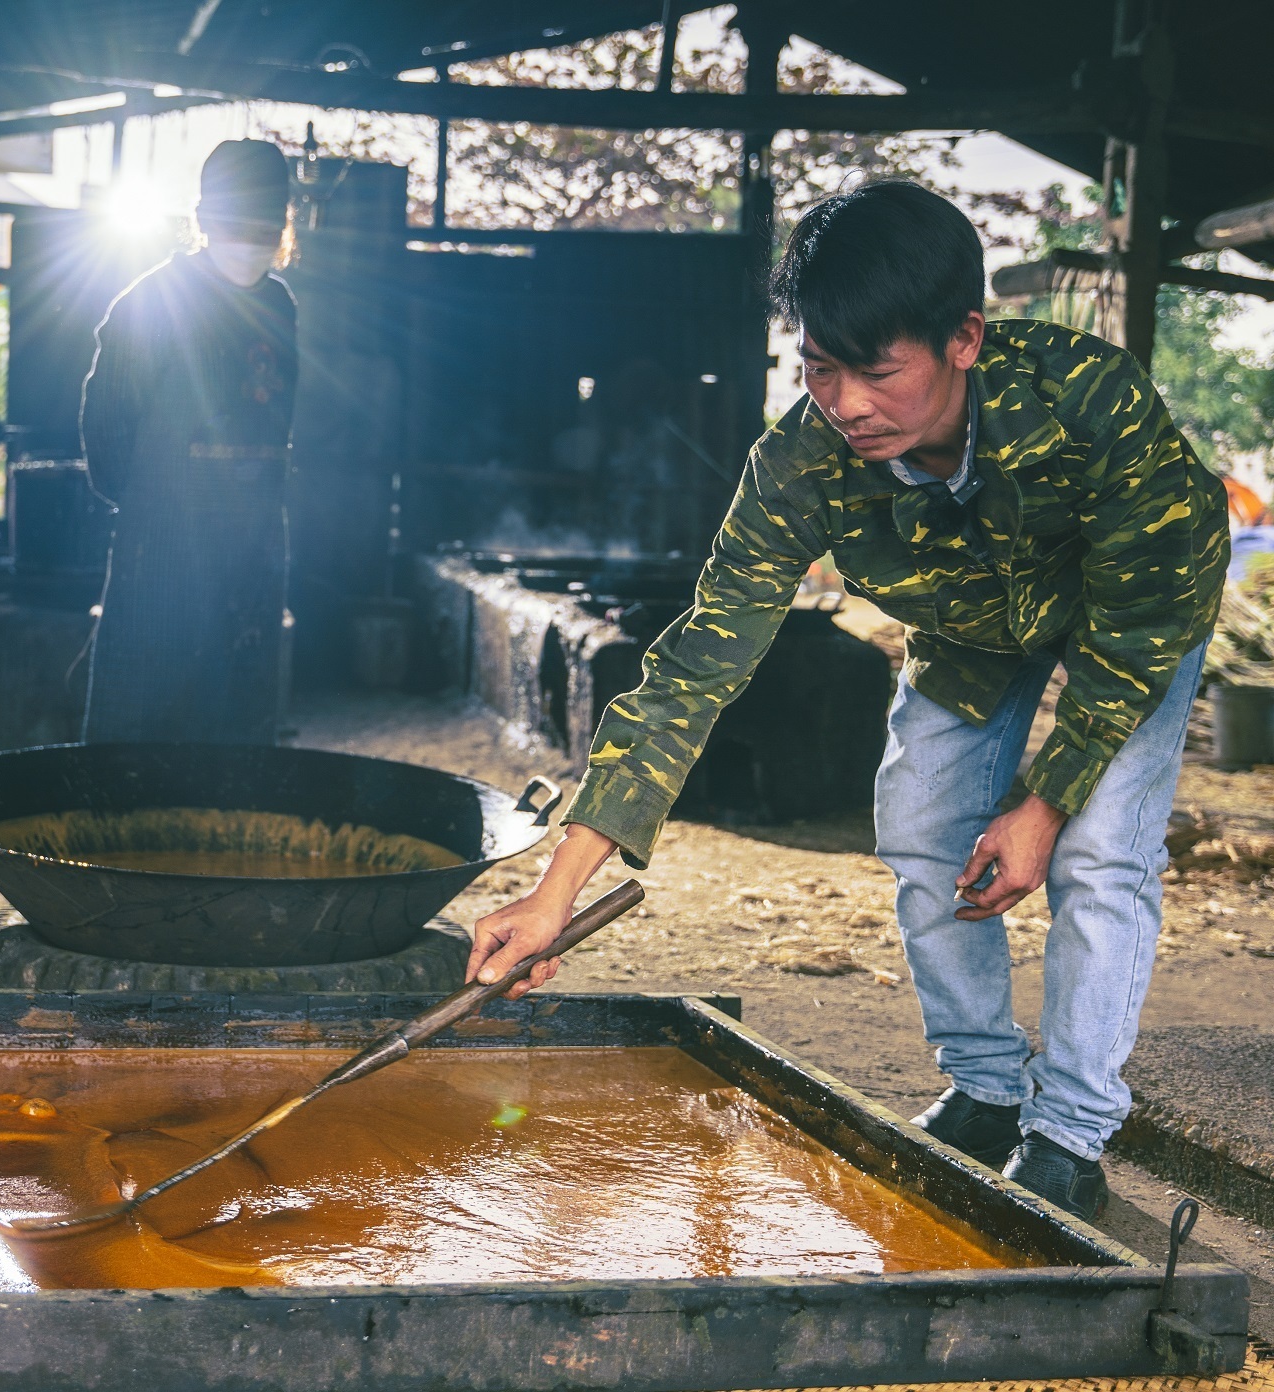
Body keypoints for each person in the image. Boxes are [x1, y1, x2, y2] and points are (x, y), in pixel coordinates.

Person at [466, 181, 1227, 1221]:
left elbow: (1136, 619)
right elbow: (695, 665)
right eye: (819, 368)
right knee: (919, 823)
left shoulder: (1084, 399)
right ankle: (986, 1087)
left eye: (875, 372)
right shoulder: (797, 465)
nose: (845, 404)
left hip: (1131, 613)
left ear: (962, 339)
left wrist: (1042, 803)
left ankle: (1067, 1135)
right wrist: (554, 893)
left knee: (1098, 854)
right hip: (968, 628)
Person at [79, 139, 299, 743]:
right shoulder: (149, 303)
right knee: (144, 718)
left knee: (239, 721)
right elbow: (106, 434)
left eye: (266, 224)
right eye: (238, 222)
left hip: (254, 552)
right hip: (164, 547)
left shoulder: (278, 306)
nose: (252, 238)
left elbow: (281, 423)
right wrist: (160, 506)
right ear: (203, 220)